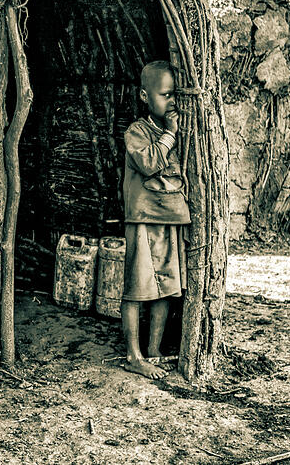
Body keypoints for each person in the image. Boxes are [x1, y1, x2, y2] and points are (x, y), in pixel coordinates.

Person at [121, 60, 190, 380]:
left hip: (170, 218)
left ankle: (154, 349)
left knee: (167, 287)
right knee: (138, 288)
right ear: (144, 96)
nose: (171, 101)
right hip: (143, 218)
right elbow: (148, 163)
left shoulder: (183, 133)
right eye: (165, 95)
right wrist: (170, 135)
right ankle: (133, 355)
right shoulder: (137, 131)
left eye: (174, 94)